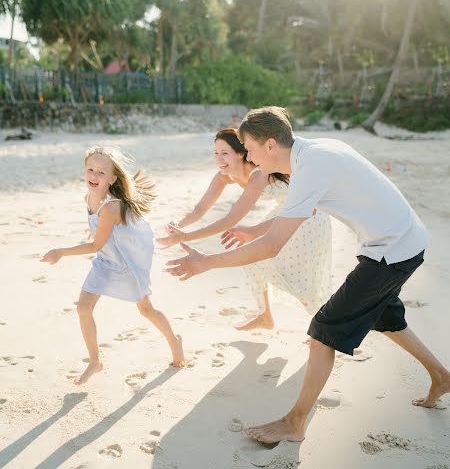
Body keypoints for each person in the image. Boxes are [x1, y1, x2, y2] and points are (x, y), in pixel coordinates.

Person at [167, 107, 450, 444]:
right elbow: (294, 216)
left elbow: (272, 246)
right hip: (402, 241)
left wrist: (206, 262)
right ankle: (440, 375)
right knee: (387, 317)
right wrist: (249, 232)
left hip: (391, 251)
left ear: (270, 145)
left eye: (250, 149)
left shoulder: (310, 168)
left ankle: (294, 421)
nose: (248, 156)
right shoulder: (315, 152)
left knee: (323, 329)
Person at [157, 127, 332, 329]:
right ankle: (265, 315)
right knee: (252, 258)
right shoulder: (223, 177)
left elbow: (231, 219)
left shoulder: (259, 174)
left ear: (241, 154)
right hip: (282, 213)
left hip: (308, 215)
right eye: (215, 153)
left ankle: (323, 323)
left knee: (294, 276)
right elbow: (200, 208)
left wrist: (185, 237)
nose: (219, 159)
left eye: (224, 153)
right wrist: (178, 226)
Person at [41, 146, 184, 385]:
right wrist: (95, 227)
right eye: (90, 170)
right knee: (83, 308)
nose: (94, 176)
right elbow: (101, 232)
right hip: (105, 263)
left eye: (101, 172)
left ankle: (174, 341)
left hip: (125, 263)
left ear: (112, 179)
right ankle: (95, 362)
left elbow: (96, 245)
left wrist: (60, 252)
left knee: (146, 309)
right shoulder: (89, 198)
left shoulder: (111, 207)